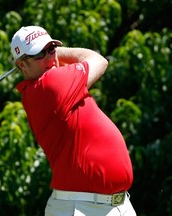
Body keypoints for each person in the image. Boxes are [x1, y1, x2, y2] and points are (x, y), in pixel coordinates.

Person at [10, 26, 136, 216]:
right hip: (80, 207)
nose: (50, 58)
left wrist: (49, 54)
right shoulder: (49, 85)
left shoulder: (49, 85)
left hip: (116, 205)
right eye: (39, 54)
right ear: (22, 65)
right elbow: (98, 60)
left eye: (51, 49)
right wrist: (60, 52)